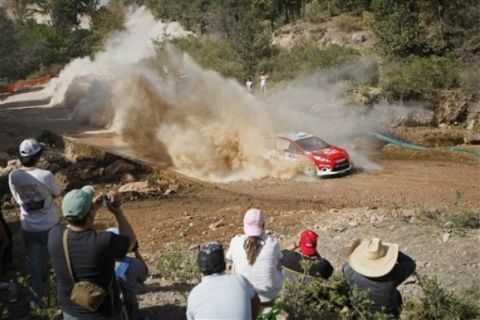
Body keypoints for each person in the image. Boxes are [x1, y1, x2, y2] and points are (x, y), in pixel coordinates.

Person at [48, 186, 137, 320]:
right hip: (104, 313)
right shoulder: (103, 241)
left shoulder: (54, 235)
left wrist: (91, 209)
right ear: (89, 215)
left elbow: (74, 223)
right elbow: (131, 242)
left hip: (71, 311)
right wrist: (118, 211)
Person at [8, 138, 61, 306]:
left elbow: (17, 199)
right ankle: (62, 298)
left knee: (34, 266)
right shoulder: (46, 175)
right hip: (51, 226)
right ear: (38, 156)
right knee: (58, 262)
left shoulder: (13, 175)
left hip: (29, 227)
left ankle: (37, 302)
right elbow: (56, 193)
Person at [342, 237, 416, 318]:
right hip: (387, 316)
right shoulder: (393, 273)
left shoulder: (351, 271)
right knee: (396, 294)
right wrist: (395, 254)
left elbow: (345, 266)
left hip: (361, 314)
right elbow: (410, 264)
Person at [187, 241, 260, 320]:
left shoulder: (194, 295)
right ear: (224, 264)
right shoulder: (240, 281)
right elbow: (256, 301)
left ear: (200, 268)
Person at [225, 208, 283, 305]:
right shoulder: (272, 242)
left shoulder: (236, 241)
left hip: (244, 297)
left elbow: (228, 259)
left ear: (244, 225)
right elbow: (279, 263)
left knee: (233, 264)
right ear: (263, 225)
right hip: (268, 297)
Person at [107, 227, 148, 320]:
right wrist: (136, 250)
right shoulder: (133, 264)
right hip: (124, 311)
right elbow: (144, 273)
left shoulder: (96, 262)